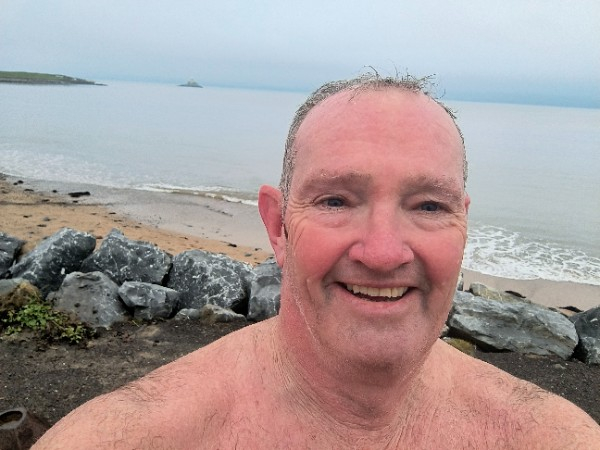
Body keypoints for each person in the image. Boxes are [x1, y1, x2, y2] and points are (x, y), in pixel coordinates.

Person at [34, 74, 600, 449]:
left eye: (430, 206)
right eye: (335, 201)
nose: (383, 253)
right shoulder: (125, 438)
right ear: (277, 226)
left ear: (464, 224)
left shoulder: (552, 438)